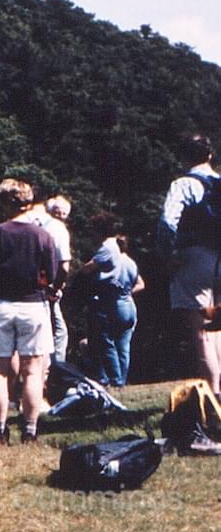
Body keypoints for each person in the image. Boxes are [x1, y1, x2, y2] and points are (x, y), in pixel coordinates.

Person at [0, 178, 61, 443]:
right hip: (33, 305)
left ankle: (0, 428)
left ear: (5, 204)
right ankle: (30, 429)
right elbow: (54, 272)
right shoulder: (42, 235)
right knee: (33, 370)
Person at [158, 134, 221, 393]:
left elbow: (167, 222)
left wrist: (168, 255)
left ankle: (215, 395)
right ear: (209, 155)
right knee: (218, 327)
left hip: (194, 258)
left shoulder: (184, 184)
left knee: (201, 331)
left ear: (183, 156)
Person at [80, 216, 144, 387]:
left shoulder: (107, 250)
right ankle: (122, 379)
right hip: (128, 304)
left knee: (106, 343)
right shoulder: (131, 263)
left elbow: (87, 270)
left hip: (111, 303)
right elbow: (139, 283)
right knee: (123, 346)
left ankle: (114, 380)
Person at [29, 193, 74, 362]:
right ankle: (56, 367)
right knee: (58, 330)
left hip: (35, 283)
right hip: (47, 284)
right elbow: (64, 265)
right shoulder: (58, 229)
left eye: (64, 213)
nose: (61, 216)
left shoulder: (35, 225)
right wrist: (55, 287)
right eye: (58, 212)